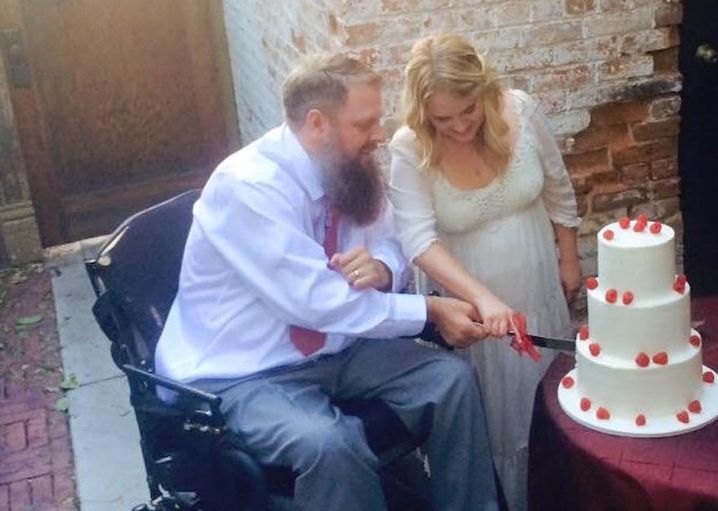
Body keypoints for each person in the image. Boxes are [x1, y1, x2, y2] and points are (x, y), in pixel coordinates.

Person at [154, 52, 500, 511]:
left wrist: (383, 267)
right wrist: (430, 312)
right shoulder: (248, 187)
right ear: (317, 123)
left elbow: (392, 238)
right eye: (364, 124)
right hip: (243, 371)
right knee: (329, 445)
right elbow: (316, 303)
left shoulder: (347, 167)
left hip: (335, 348)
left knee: (450, 381)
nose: (378, 135)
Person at [387, 33, 582, 511]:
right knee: (496, 422)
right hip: (473, 311)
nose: (458, 126)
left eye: (468, 110)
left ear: (484, 88)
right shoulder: (410, 146)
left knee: (547, 402)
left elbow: (558, 187)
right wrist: (484, 299)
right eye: (442, 119)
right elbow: (417, 240)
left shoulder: (521, 111)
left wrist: (569, 257)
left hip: (537, 286)